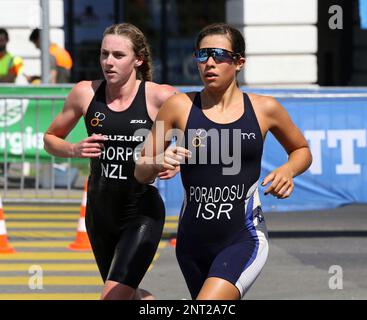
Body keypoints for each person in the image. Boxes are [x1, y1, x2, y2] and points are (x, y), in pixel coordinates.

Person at [135, 23, 312, 300]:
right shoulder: (178, 106)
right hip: (192, 242)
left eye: (219, 54)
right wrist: (157, 160)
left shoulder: (265, 108)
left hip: (243, 236)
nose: (209, 63)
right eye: (202, 55)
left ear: (239, 62)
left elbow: (301, 149)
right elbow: (140, 171)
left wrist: (288, 170)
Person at [43, 23, 178, 300]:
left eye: (118, 55)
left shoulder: (160, 96)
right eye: (104, 54)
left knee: (113, 297)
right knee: (127, 295)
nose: (108, 62)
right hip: (99, 213)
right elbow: (50, 138)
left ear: (138, 59)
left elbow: (203, 136)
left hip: (140, 212)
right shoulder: (85, 92)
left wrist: (177, 160)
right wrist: (73, 148)